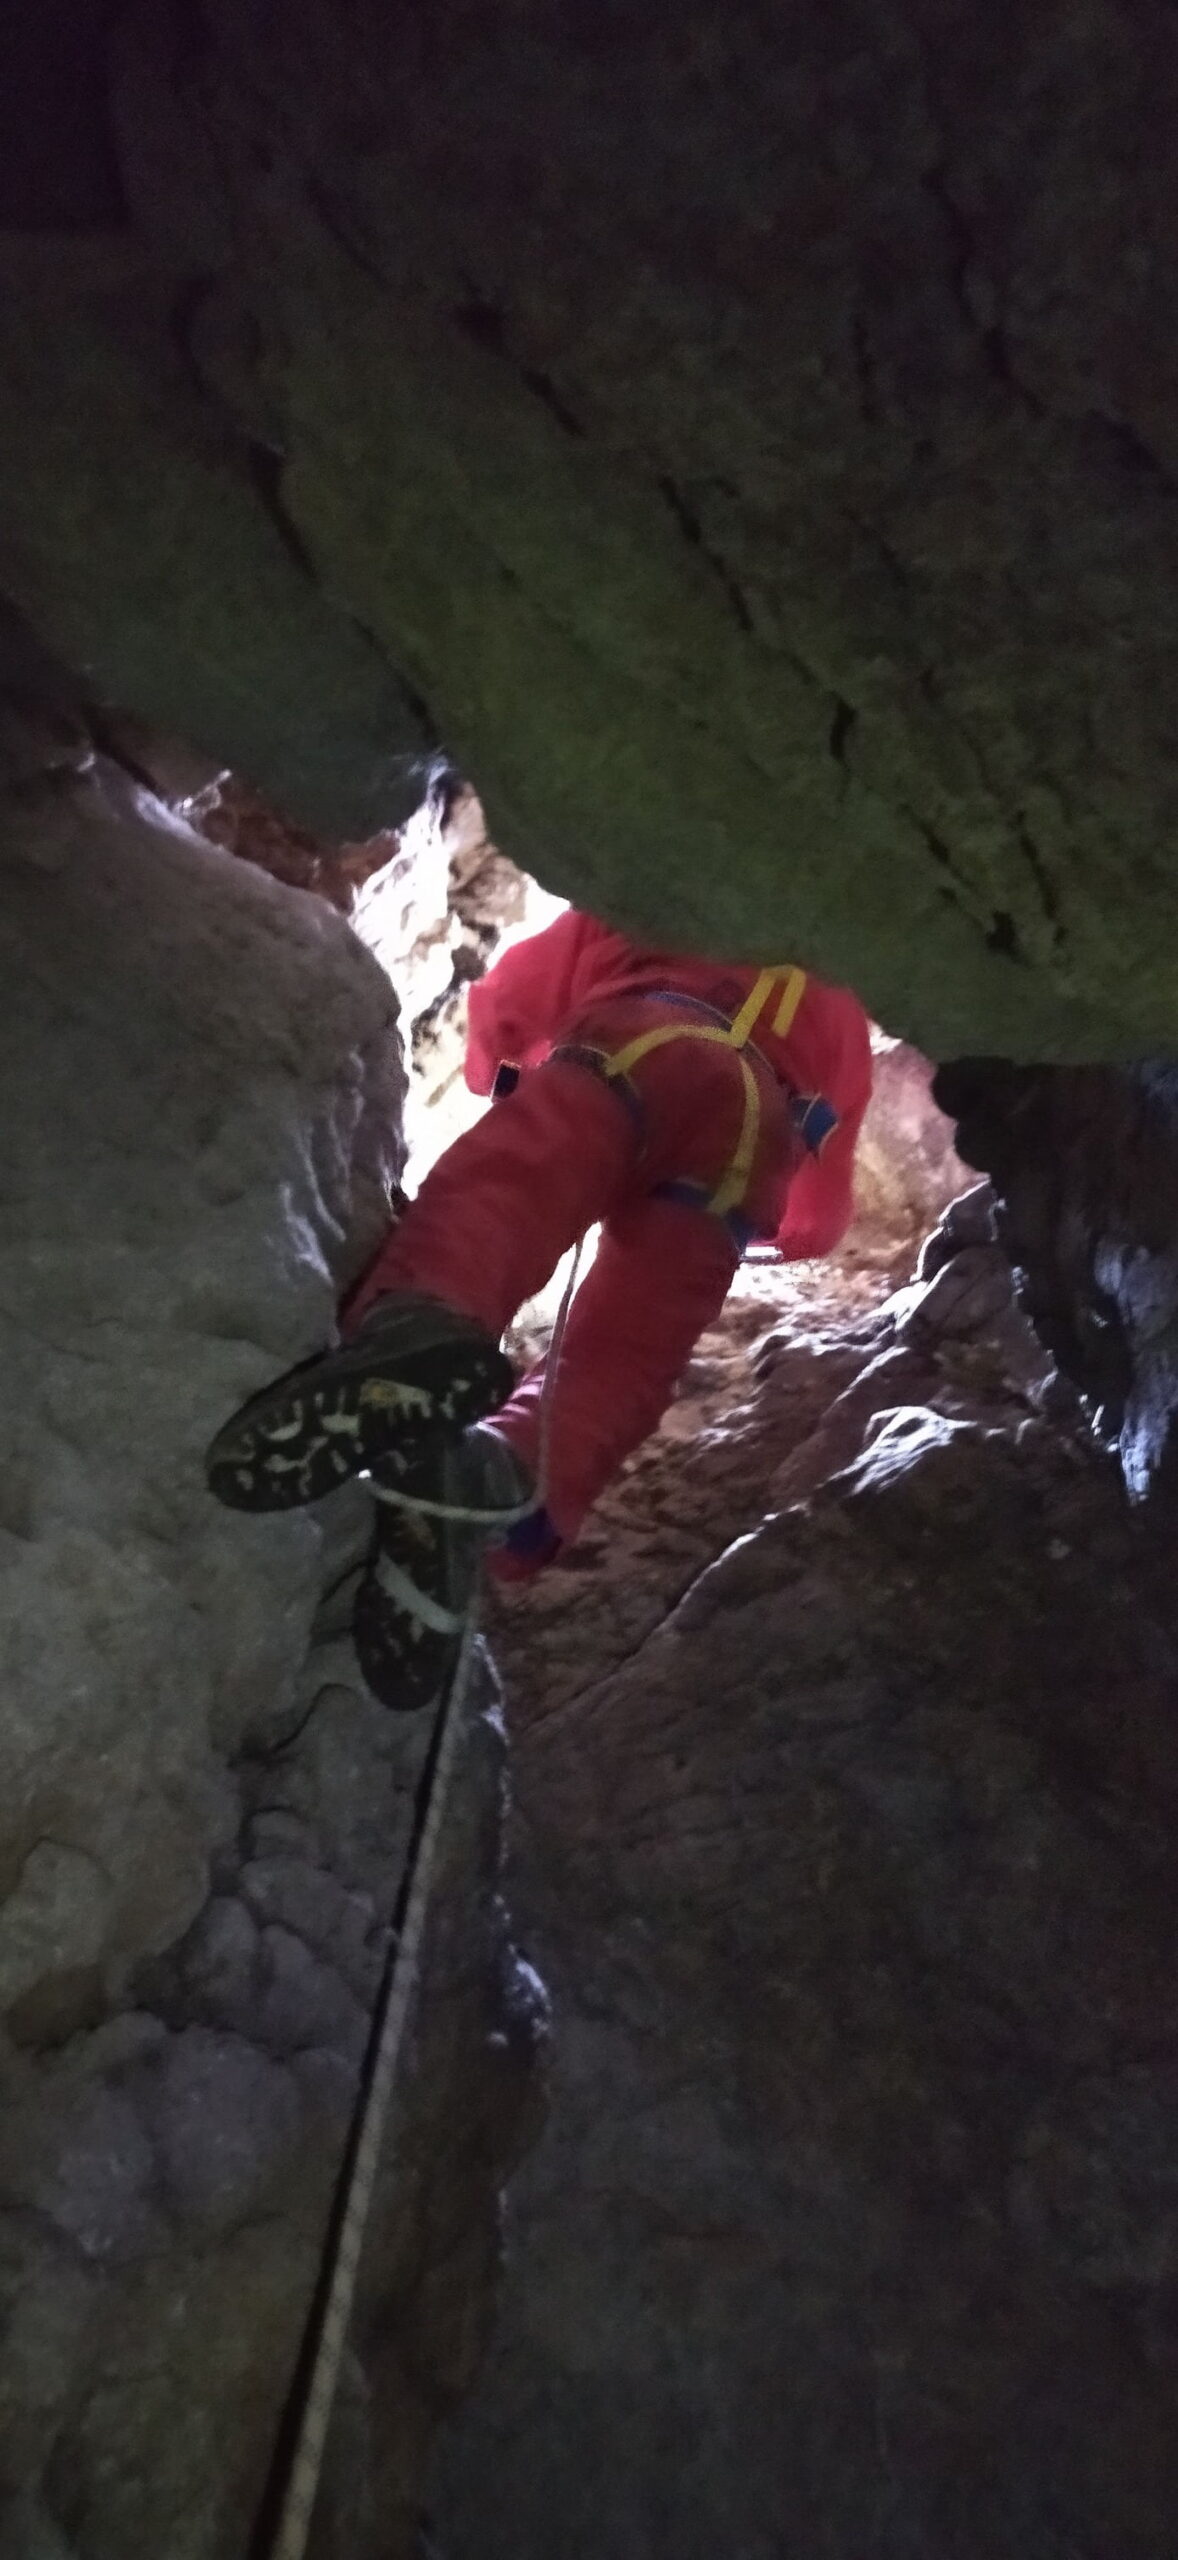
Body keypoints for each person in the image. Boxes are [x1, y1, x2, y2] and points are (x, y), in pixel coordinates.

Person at [206, 907, 873, 1709]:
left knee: (515, 1184)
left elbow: (508, 1000)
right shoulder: (845, 1005)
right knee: (627, 1352)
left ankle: (422, 1324)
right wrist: (772, 1235)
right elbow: (822, 1216)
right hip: (751, 1132)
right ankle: (507, 1483)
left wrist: (500, 1070)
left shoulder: (657, 896)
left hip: (644, 1037)